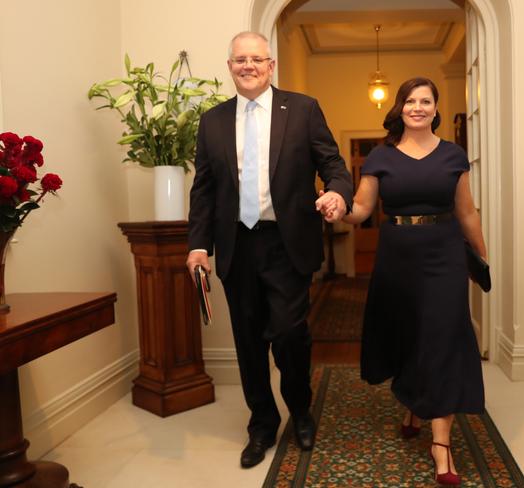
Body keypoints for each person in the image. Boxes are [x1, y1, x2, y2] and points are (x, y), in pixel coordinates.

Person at [186, 31, 352, 469]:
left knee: (289, 334)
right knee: (247, 340)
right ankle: (261, 422)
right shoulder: (213, 121)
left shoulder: (302, 109)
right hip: (236, 244)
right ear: (230, 67)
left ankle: (299, 409)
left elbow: (333, 164)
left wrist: (336, 193)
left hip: (287, 243)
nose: (248, 66)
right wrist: (198, 246)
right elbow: (203, 189)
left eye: (256, 58)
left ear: (271, 65)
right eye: (240, 59)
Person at [320, 77, 486, 486]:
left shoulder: (453, 155)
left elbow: (466, 212)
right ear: (400, 108)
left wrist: (481, 255)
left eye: (425, 101)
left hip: (444, 253)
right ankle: (414, 402)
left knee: (442, 336)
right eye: (410, 101)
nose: (417, 107)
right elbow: (361, 209)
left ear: (435, 108)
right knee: (410, 334)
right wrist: (337, 207)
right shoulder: (381, 156)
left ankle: (441, 444)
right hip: (397, 256)